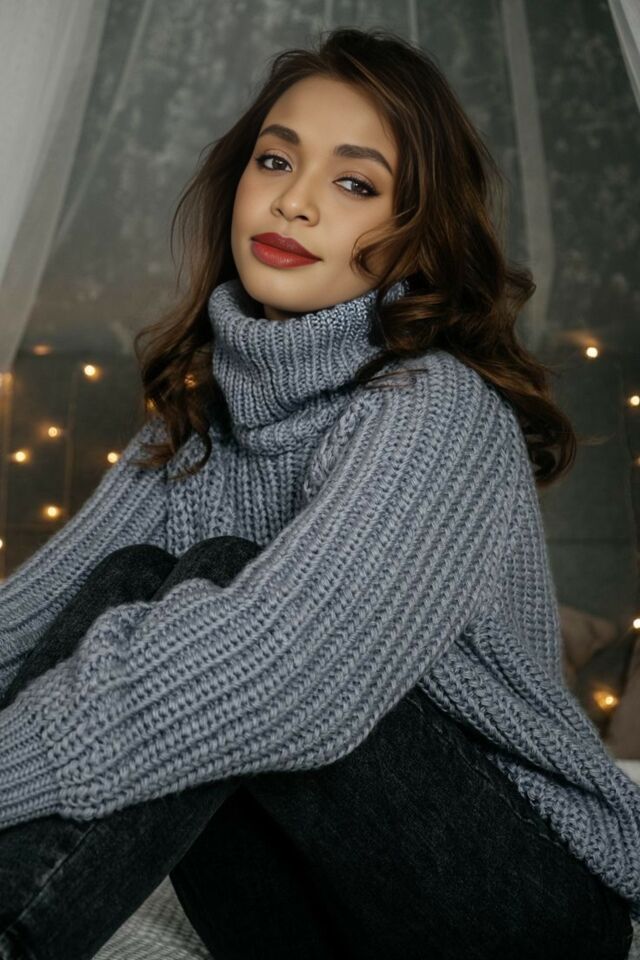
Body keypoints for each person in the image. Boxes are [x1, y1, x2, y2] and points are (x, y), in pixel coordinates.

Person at [0, 25, 636, 960]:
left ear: (418, 236)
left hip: (525, 896)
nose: (294, 201)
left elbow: (287, 672)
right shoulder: (195, 425)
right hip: (312, 902)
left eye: (355, 184)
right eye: (275, 160)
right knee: (135, 576)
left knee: (221, 582)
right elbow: (28, 622)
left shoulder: (434, 408)